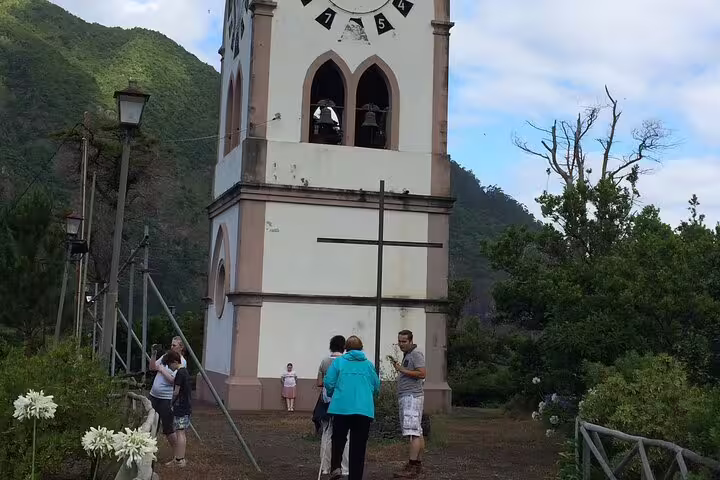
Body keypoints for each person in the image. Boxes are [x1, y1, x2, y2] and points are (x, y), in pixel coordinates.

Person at [324, 336, 380, 480]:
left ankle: (336, 466)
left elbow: (329, 382)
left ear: (345, 349)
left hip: (341, 407)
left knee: (338, 439)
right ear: (361, 348)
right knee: (358, 446)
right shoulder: (368, 365)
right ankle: (355, 476)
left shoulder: (339, 363)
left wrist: (332, 394)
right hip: (363, 410)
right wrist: (369, 395)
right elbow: (376, 385)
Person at [391, 330, 427, 479]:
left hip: (412, 397)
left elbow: (422, 373)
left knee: (413, 432)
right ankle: (417, 464)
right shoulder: (408, 355)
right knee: (417, 431)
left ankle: (412, 466)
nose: (401, 344)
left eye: (404, 341)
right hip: (408, 396)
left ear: (411, 341)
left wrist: (402, 370)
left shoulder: (416, 354)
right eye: (399, 341)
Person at [314, 335, 349, 477]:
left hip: (326, 402)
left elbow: (319, 382)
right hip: (343, 402)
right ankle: (345, 467)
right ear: (344, 347)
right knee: (345, 435)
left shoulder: (324, 361)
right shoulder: (346, 362)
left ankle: (325, 467)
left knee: (327, 434)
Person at [148, 337, 187, 448]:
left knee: (168, 428)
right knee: (150, 423)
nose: (171, 347)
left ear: (181, 347)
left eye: (174, 345)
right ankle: (148, 450)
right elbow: (152, 367)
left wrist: (162, 370)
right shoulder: (165, 356)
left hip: (166, 398)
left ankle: (178, 454)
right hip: (153, 395)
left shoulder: (182, 362)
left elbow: (174, 380)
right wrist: (154, 355)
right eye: (171, 345)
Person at [168, 361, 192, 468]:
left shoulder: (180, 373)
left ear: (174, 362)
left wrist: (171, 402)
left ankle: (179, 460)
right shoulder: (185, 371)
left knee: (180, 433)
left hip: (181, 407)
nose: (169, 368)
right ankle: (179, 458)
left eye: (169, 365)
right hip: (186, 406)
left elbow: (176, 391)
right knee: (181, 433)